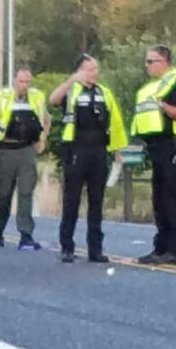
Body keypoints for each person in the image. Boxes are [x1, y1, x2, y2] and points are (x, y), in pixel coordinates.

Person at [49, 54, 128, 263]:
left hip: (99, 151)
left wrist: (118, 151)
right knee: (72, 200)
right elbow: (53, 100)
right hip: (76, 149)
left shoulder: (104, 93)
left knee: (96, 201)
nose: (95, 73)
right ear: (80, 70)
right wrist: (70, 81)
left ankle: (96, 249)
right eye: (91, 69)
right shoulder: (72, 90)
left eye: (96, 69)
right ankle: (67, 246)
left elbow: (116, 122)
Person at [130, 45, 176, 265]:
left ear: (164, 61)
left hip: (175, 146)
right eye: (146, 61)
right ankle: (161, 248)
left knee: (173, 198)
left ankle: (175, 251)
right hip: (157, 147)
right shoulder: (151, 87)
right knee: (159, 199)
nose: (147, 66)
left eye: (151, 61)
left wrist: (162, 106)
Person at [0, 67, 50, 249]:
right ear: (15, 81)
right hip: (5, 150)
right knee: (4, 193)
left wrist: (43, 139)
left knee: (26, 192)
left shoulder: (36, 98)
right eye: (21, 81)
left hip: (26, 149)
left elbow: (47, 119)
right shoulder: (3, 99)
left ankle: (26, 235)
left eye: (28, 82)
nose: (24, 86)